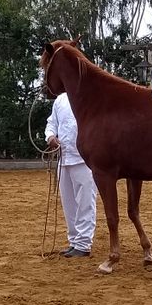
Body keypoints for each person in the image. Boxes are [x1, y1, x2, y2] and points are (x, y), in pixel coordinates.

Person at [45, 92, 98, 258]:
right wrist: (51, 137)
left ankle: (83, 244)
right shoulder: (60, 100)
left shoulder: (90, 96)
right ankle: (74, 241)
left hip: (84, 159)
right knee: (68, 204)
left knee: (85, 202)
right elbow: (51, 122)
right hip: (64, 158)